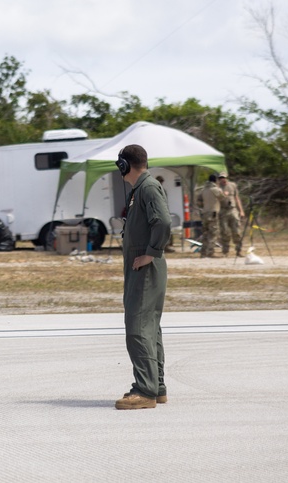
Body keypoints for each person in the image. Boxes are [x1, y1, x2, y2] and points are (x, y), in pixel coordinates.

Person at [115, 144, 170, 410]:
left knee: (137, 326)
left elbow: (163, 222)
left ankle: (145, 391)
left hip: (145, 266)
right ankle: (156, 387)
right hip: (142, 265)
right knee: (148, 326)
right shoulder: (142, 189)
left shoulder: (147, 188)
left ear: (124, 165)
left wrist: (151, 253)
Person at [195, 175, 224, 258]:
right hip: (213, 213)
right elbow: (223, 198)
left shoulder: (203, 190)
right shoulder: (216, 190)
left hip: (204, 213)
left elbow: (199, 202)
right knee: (213, 233)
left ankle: (203, 252)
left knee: (205, 233)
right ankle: (211, 252)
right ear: (215, 181)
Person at [217, 172, 245, 256]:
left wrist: (241, 210)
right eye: (221, 178)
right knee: (225, 232)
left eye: (224, 177)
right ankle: (225, 251)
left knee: (236, 231)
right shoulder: (217, 188)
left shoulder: (232, 185)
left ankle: (238, 250)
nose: (223, 179)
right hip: (222, 211)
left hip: (233, 210)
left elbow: (237, 198)